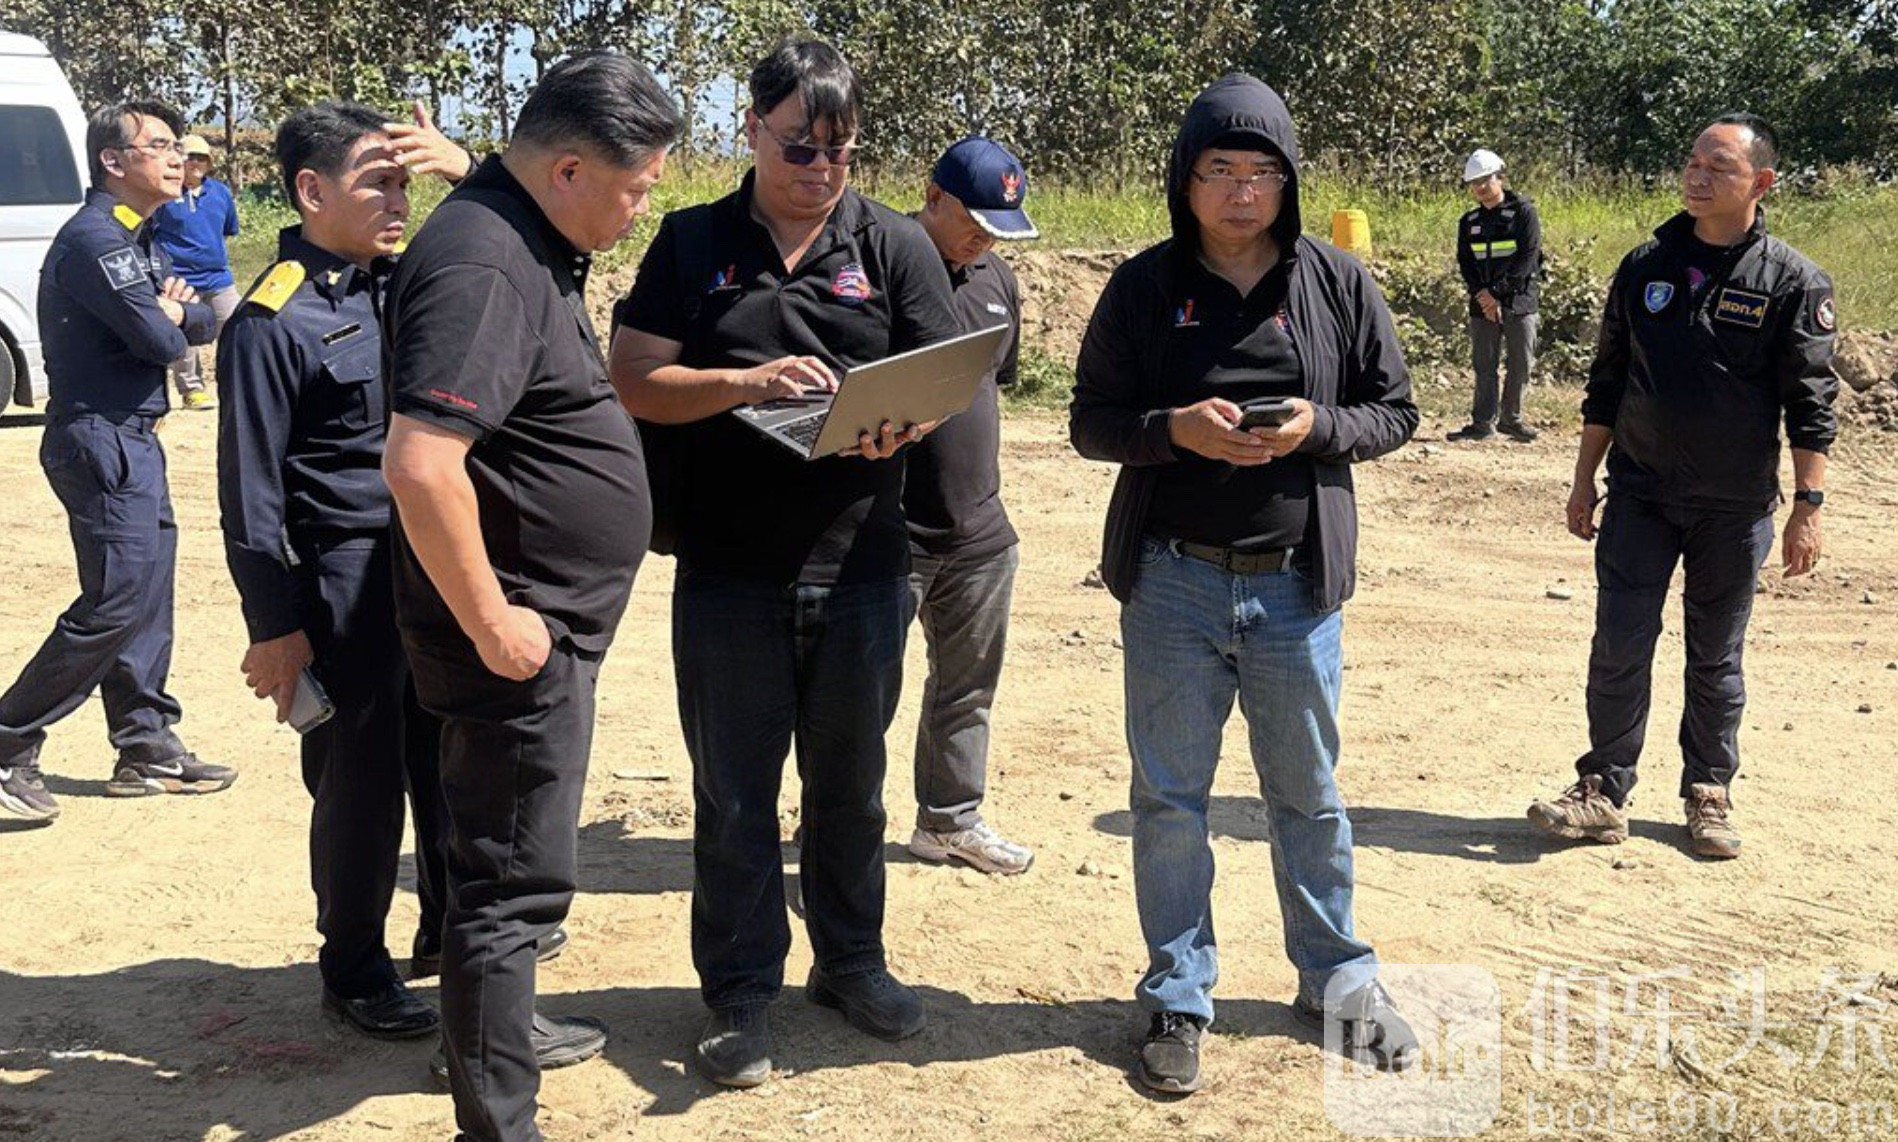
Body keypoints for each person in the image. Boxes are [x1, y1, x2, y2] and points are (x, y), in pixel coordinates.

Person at [611, 37, 961, 1091]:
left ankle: (851, 963)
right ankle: (738, 992)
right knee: (733, 794)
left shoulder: (893, 245)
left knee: (850, 787)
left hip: (862, 565)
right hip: (728, 567)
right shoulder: (691, 241)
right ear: (751, 130)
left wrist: (900, 422)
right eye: (799, 146)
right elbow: (633, 376)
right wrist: (745, 382)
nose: (820, 168)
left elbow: (945, 377)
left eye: (840, 150)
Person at [1069, 73, 1419, 1095]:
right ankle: (1177, 995)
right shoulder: (1142, 287)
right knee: (1169, 800)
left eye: (1261, 171)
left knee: (1307, 794)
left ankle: (1336, 980)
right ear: (1185, 180)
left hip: (1295, 587)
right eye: (1218, 169)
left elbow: (1393, 410)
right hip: (1172, 582)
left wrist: (1319, 426)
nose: (1240, 191)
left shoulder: (1335, 283)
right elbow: (1091, 421)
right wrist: (1171, 430)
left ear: (1287, 182)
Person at [381, 53, 680, 1142]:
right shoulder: (487, 263)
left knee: (500, 875)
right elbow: (421, 463)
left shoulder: (511, 222)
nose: (641, 208)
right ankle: (499, 1123)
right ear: (566, 170)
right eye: (635, 187)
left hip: (535, 622)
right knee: (508, 892)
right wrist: (498, 625)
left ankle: (501, 1046)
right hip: (514, 635)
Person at [215, 102, 461, 1041]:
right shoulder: (272, 320)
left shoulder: (406, 282)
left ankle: (447, 929)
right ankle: (354, 968)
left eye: (404, 183)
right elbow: (251, 495)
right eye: (377, 183)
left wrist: (462, 168)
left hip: (430, 559)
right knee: (360, 782)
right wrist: (275, 628)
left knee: (445, 755)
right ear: (312, 191)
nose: (398, 200)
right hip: (344, 577)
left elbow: (522, 241)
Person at [1530, 114, 1836, 861]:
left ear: (1761, 183)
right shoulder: (1646, 266)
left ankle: (1708, 789)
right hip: (1640, 494)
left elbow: (1811, 403)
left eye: (1718, 166)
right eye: (1693, 162)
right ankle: (1602, 790)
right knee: (1619, 643)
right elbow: (1607, 381)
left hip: (1732, 508)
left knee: (1715, 656)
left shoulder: (1792, 281)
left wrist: (1808, 507)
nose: (1697, 176)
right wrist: (1583, 480)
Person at [0, 100, 235, 825]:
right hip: (99, 439)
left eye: (175, 146)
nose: (175, 157)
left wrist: (176, 315)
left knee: (147, 591)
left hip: (135, 438)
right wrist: (172, 318)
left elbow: (202, 318)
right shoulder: (96, 241)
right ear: (112, 160)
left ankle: (145, 744)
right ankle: (8, 739)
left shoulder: (137, 239)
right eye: (158, 145)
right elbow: (165, 342)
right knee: (116, 599)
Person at [902, 136, 1038, 876]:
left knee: (966, 688)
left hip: (978, 528)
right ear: (934, 196)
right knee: (854, 697)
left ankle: (948, 822)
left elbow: (993, 385)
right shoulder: (879, 261)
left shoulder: (996, 278)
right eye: (977, 221)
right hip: (886, 531)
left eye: (1000, 227)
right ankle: (836, 830)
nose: (987, 239)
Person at [1448, 148, 1541, 443]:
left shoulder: (1523, 213)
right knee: (1484, 365)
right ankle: (1482, 424)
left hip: (1519, 301)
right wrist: (1482, 296)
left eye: (1485, 180)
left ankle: (1511, 420)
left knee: (1520, 363)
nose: (1479, 187)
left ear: (1500, 177)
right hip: (1482, 303)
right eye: (1474, 182)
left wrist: (1497, 294)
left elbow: (1528, 258)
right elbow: (1466, 262)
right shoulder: (1469, 221)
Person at [151, 133, 240, 411]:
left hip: (218, 277)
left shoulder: (220, 193)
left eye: (202, 157)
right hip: (179, 279)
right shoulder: (165, 194)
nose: (196, 163)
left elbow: (229, 229)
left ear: (209, 162)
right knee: (186, 334)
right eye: (190, 157)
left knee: (238, 327)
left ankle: (234, 384)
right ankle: (191, 389)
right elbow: (150, 232)